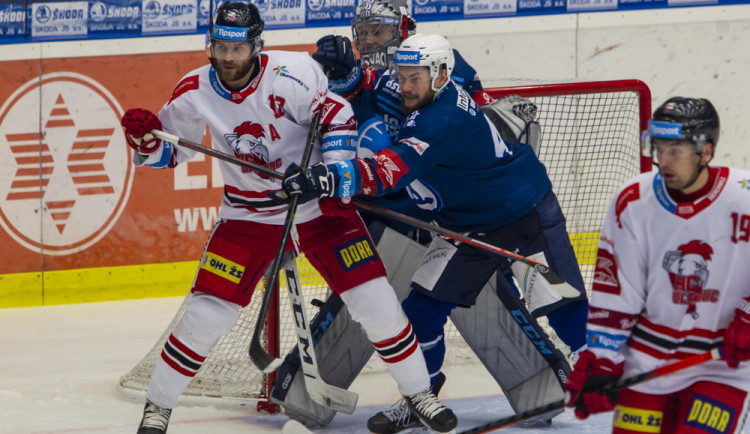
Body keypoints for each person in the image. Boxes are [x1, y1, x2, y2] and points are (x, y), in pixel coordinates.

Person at [119, 4, 457, 434]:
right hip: (248, 215)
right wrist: (146, 141)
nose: (227, 56)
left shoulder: (293, 73)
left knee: (377, 305)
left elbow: (336, 114)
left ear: (256, 46)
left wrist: (331, 174)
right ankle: (157, 408)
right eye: (219, 46)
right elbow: (172, 151)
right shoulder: (193, 89)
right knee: (207, 316)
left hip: (318, 209)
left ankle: (419, 393)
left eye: (236, 47)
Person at [272, 33, 590, 432]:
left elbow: (389, 171)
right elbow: (372, 86)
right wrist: (349, 76)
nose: (405, 85)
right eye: (402, 75)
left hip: (523, 211)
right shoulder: (416, 90)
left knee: (562, 304)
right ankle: (421, 399)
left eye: (415, 78)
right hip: (466, 225)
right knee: (421, 313)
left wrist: (329, 177)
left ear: (440, 75)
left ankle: (606, 367)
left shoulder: (443, 119)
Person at [564, 97, 750, 433]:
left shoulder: (745, 197)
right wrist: (603, 359)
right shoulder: (633, 200)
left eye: (675, 151)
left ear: (705, 152)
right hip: (647, 361)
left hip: (721, 364)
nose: (662, 160)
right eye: (658, 148)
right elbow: (617, 289)